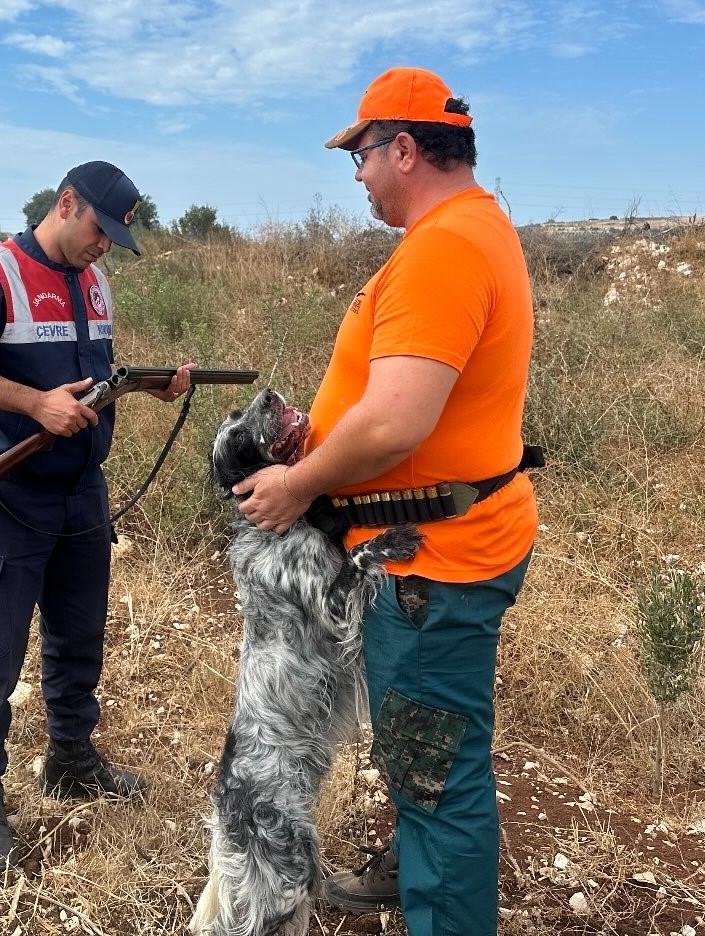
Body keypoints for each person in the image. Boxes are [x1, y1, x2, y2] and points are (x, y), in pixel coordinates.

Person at [233, 68, 538, 936]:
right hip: (438, 540)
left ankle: (440, 898)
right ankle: (414, 872)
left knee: (434, 773)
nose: (358, 174)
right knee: (424, 748)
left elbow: (398, 421)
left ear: (404, 148)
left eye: (362, 155)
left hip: (429, 563)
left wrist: (297, 484)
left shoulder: (443, 249)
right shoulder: (473, 228)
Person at [0, 161, 189, 878]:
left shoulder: (93, 280)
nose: (106, 248)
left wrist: (149, 386)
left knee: (79, 639)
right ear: (67, 204)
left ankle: (71, 758)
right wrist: (34, 404)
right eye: (100, 230)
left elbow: (93, 376)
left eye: (116, 239)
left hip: (81, 495)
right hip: (11, 499)